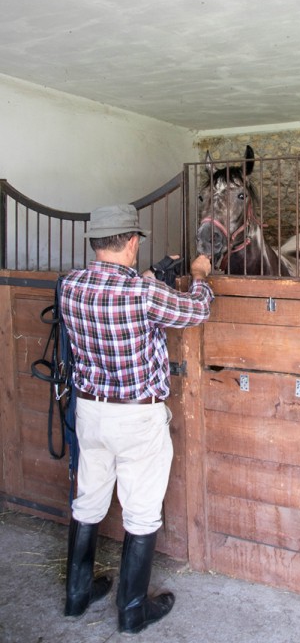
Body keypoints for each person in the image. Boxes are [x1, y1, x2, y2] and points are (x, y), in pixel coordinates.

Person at [59, 203, 213, 634]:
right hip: (136, 416)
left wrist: (146, 279)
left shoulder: (70, 284)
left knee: (87, 501)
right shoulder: (145, 295)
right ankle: (131, 611)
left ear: (95, 244)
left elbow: (110, 298)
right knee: (142, 511)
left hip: (89, 410)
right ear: (131, 242)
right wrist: (199, 276)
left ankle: (76, 596)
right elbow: (197, 312)